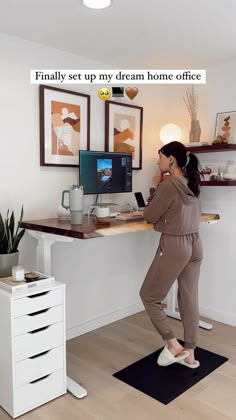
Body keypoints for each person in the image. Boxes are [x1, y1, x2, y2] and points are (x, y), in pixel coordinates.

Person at [140, 141, 203, 368]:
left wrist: (155, 186)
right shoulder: (191, 182)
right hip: (195, 243)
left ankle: (173, 344)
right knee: (189, 298)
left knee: (149, 295)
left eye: (160, 157)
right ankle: (191, 353)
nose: (158, 161)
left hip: (176, 244)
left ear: (171, 160)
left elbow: (149, 215)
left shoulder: (168, 185)